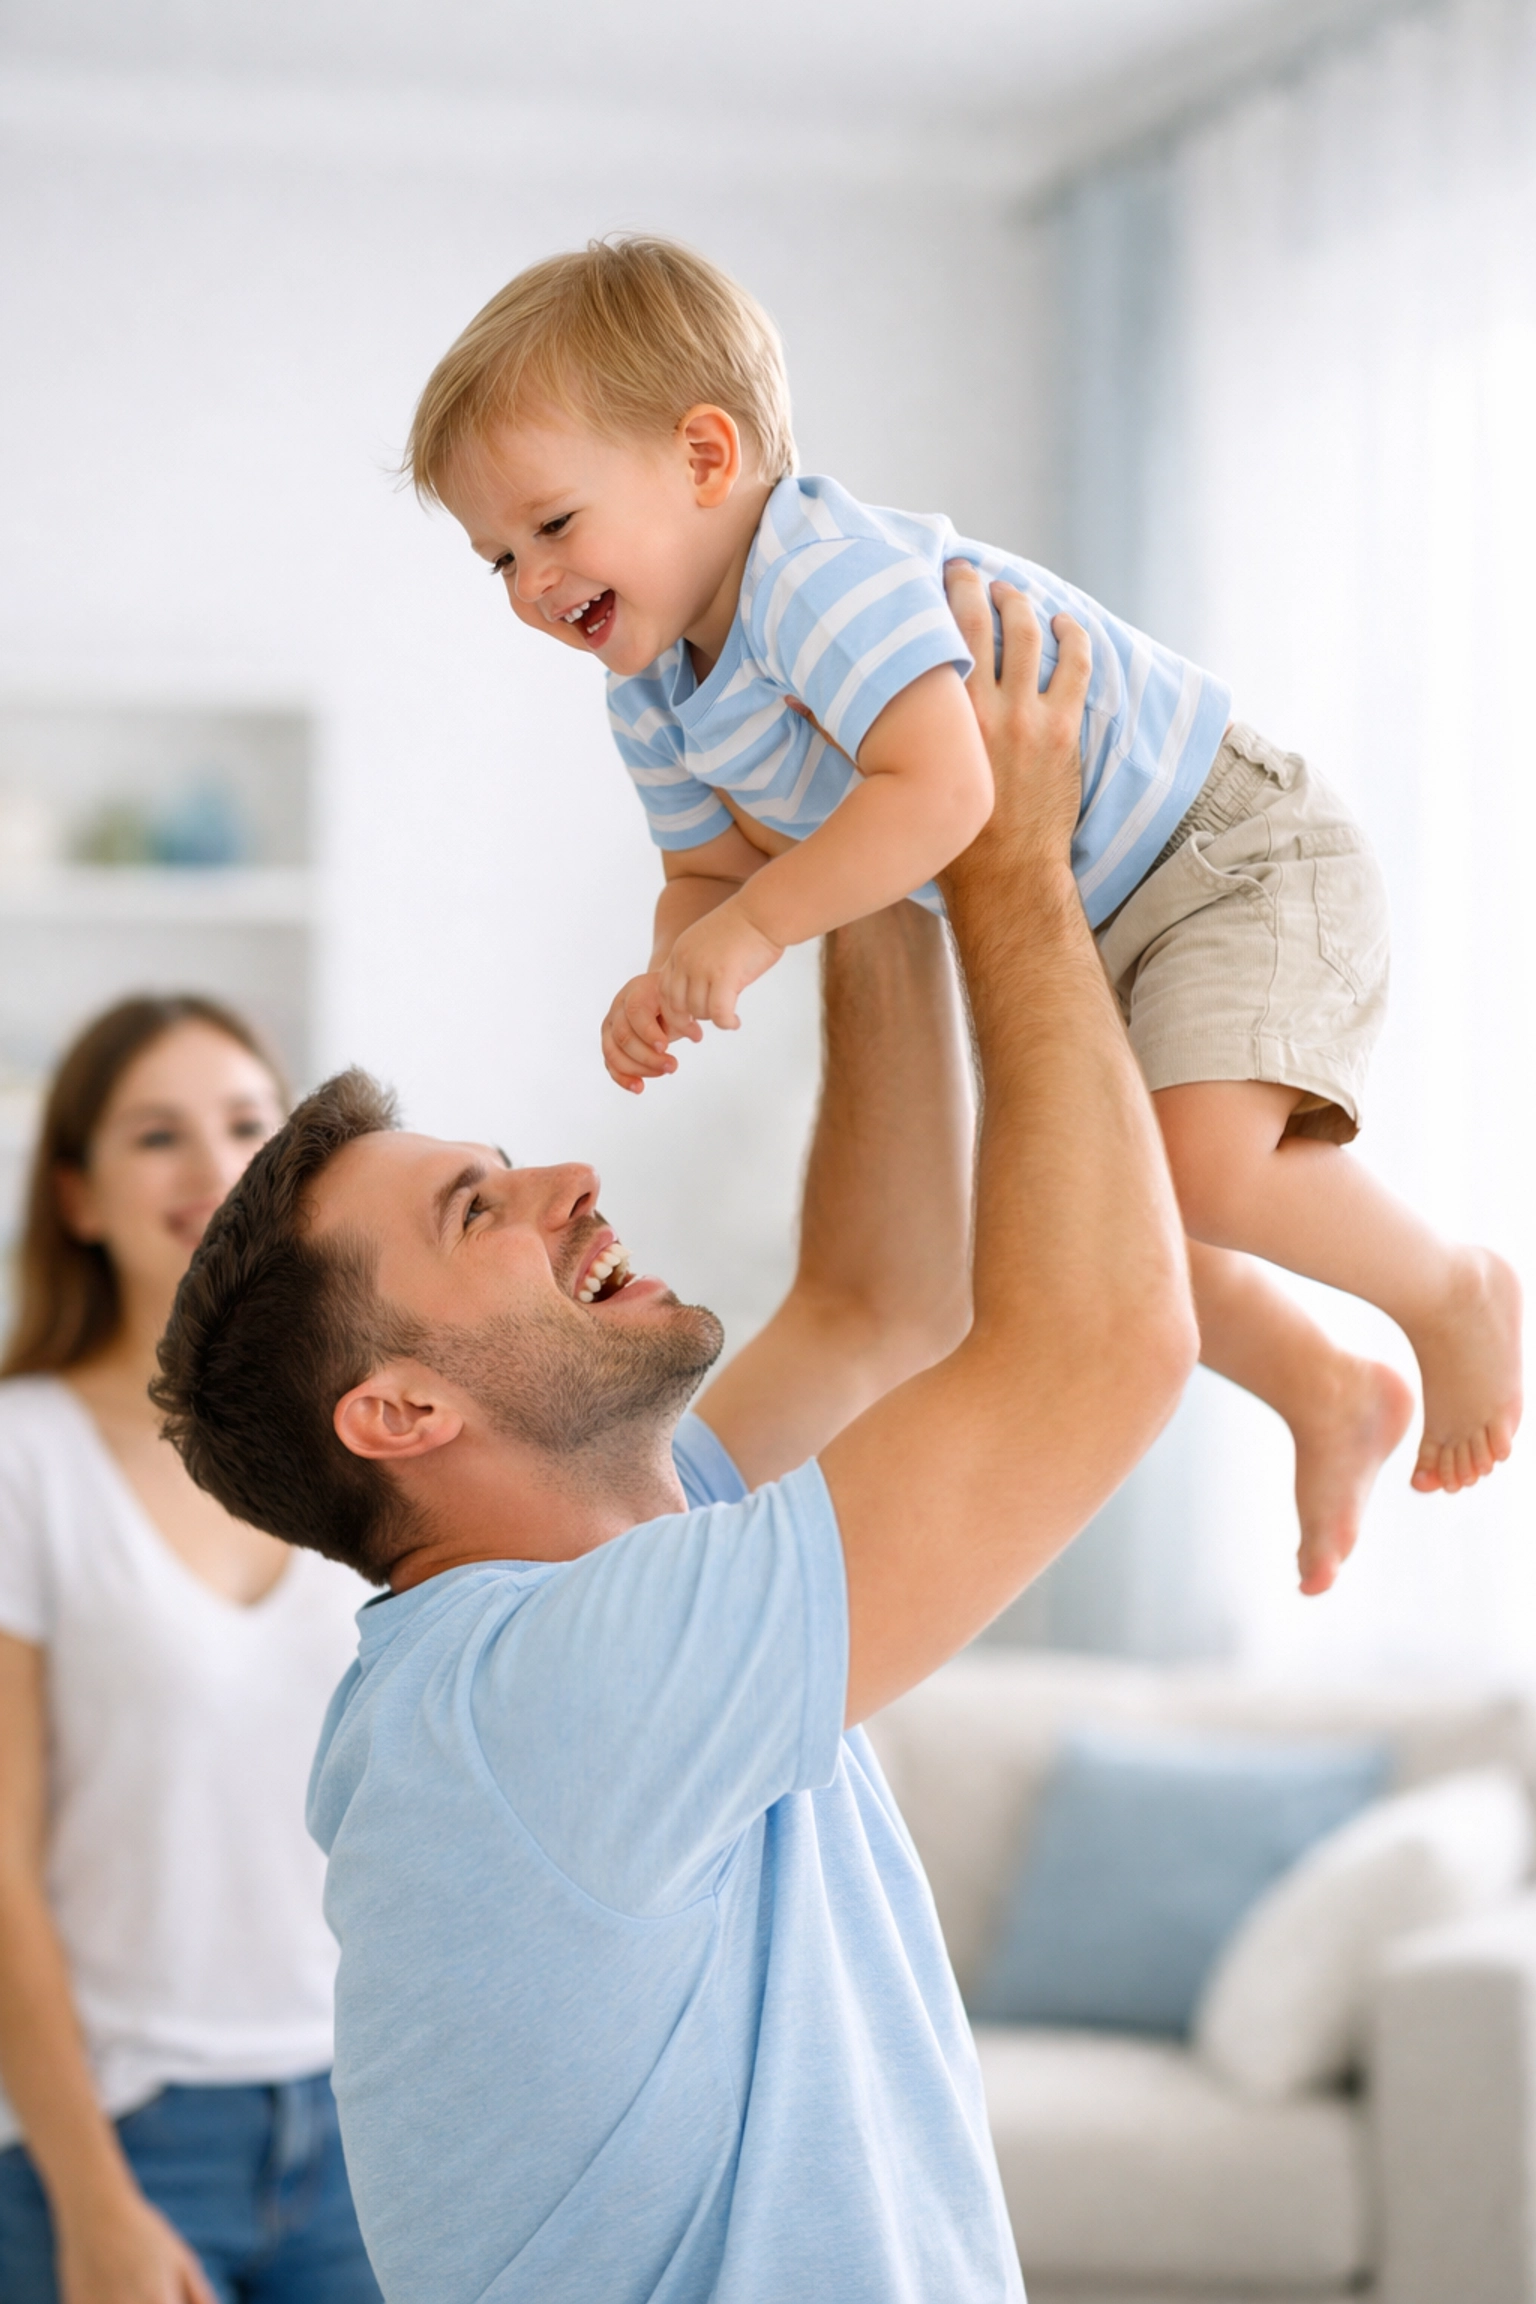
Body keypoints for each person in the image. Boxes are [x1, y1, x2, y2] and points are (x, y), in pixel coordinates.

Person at [151, 575, 1197, 2304]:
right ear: (404, 1412)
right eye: (481, 1208)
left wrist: (862, 853)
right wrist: (1006, 865)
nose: (568, 1180)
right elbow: (1098, 1354)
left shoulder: (593, 1570)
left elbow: (876, 1303)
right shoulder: (546, 1696)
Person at [402, 232, 1522, 1597]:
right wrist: (673, 968)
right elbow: (709, 877)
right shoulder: (650, 692)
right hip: (1104, 906)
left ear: (705, 457)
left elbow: (945, 791)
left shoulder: (814, 571)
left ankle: (1449, 1289)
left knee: (1203, 1174)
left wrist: (750, 934)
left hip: (1222, 846)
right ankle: (1321, 1383)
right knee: (1095, 1214)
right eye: (496, 557)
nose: (528, 581)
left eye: (553, 526)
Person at [0, 997, 382, 2304]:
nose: (213, 1167)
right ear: (77, 1198)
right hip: (127, 2132)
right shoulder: (22, 1456)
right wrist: (88, 2196)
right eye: (156, 1135)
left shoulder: (367, 1439)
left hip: (374, 2113)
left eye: (244, 1126)